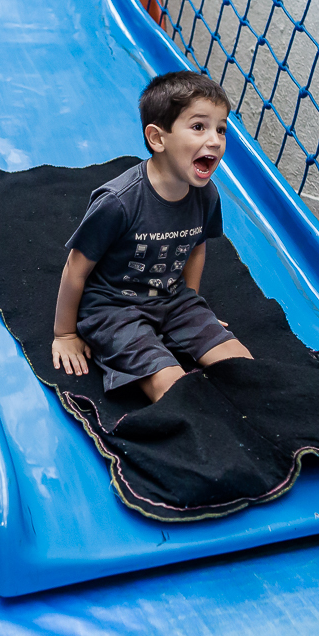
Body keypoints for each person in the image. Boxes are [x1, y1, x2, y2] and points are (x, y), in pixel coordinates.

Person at [51, 71, 253, 402]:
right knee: (175, 388)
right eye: (199, 127)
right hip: (113, 307)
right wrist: (66, 333)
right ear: (158, 139)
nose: (215, 140)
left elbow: (196, 248)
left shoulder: (206, 195)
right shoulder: (118, 202)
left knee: (241, 364)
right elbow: (76, 267)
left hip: (171, 299)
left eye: (221, 128)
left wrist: (193, 307)